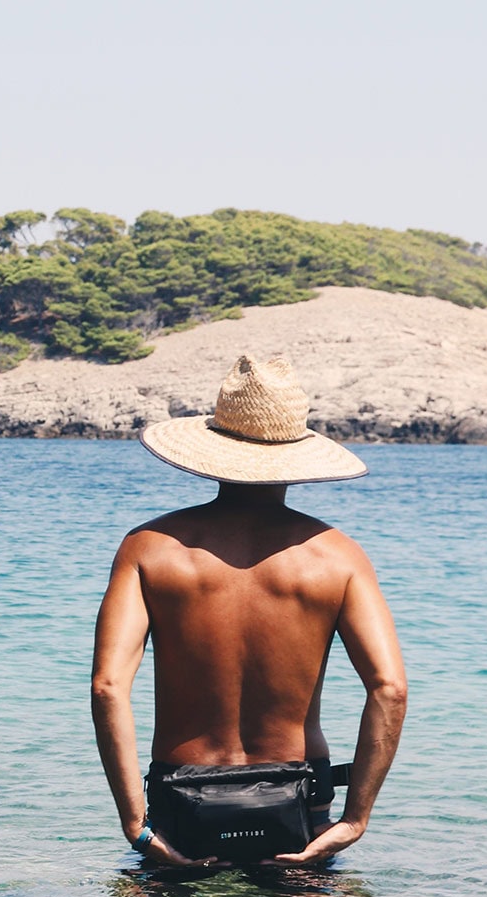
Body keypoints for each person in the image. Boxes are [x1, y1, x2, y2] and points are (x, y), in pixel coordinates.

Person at [91, 354, 407, 870]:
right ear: (297, 453)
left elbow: (108, 687)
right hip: (297, 796)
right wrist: (354, 819)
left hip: (182, 796)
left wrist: (135, 825)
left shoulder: (149, 549)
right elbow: (389, 689)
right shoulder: (339, 557)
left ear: (214, 448)